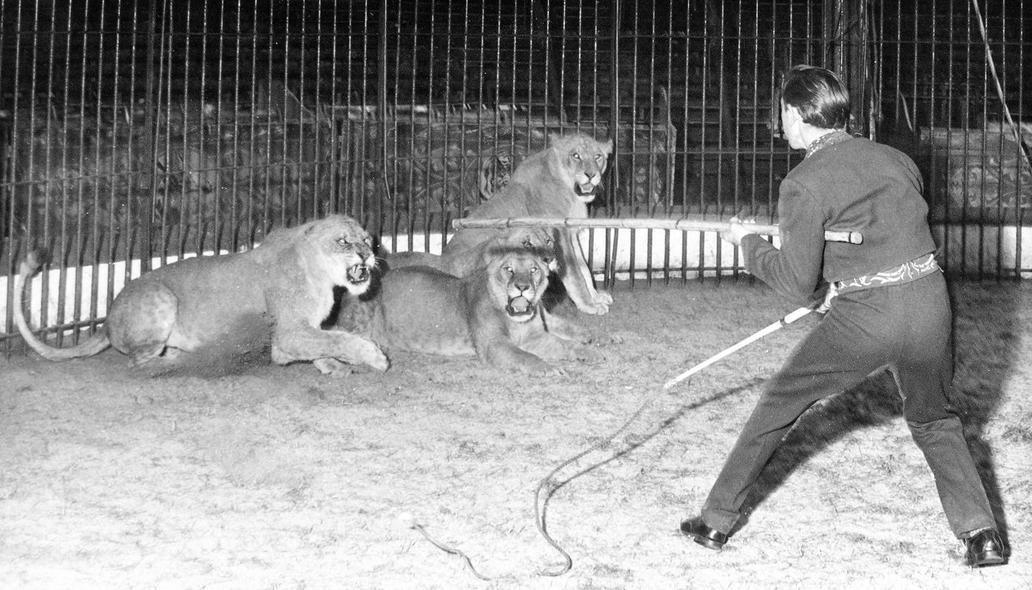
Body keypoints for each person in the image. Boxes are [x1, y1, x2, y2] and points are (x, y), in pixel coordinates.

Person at [679, 64, 1008, 568]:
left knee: (777, 404)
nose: (781, 123)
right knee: (935, 418)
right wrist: (837, 279)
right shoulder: (896, 158)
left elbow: (795, 283)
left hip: (868, 319)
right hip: (930, 301)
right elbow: (885, 233)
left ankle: (715, 521)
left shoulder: (802, 183)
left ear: (793, 112)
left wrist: (747, 242)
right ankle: (981, 534)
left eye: (782, 113)